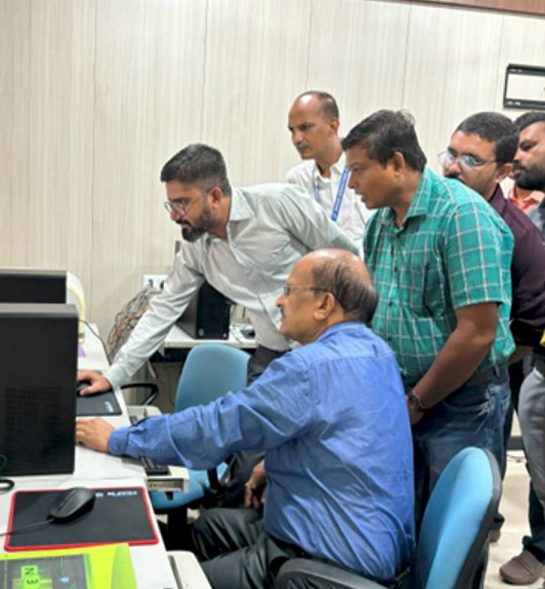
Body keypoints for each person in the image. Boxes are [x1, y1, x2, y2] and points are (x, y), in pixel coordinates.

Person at [77, 250, 415, 589]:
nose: (280, 301)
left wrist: (118, 439)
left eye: (289, 290)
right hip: (368, 541)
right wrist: (272, 465)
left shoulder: (310, 368)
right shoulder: (378, 353)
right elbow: (349, 439)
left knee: (170, 582)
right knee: (208, 530)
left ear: (324, 305)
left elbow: (216, 426)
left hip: (328, 563)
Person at [78, 143, 356, 394]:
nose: (174, 215)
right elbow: (164, 308)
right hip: (272, 355)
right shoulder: (196, 247)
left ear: (214, 196)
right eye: (171, 204)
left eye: (182, 203)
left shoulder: (278, 204)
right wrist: (114, 375)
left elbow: (348, 259)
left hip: (323, 350)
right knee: (252, 444)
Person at [342, 110, 515, 508]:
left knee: (452, 526)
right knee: (409, 512)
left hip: (461, 402)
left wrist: (418, 402)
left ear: (397, 164)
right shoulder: (381, 222)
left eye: (359, 170)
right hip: (405, 395)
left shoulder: (462, 215)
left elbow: (477, 333)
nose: (351, 184)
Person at [439, 111, 545, 556]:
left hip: (491, 372)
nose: (451, 166)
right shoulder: (440, 214)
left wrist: (495, 359)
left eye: (469, 159)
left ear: (499, 172)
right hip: (438, 374)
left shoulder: (518, 234)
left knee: (473, 487)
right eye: (450, 153)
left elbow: (532, 316)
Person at [500, 111, 545, 585]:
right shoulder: (532, 221)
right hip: (533, 356)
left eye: (529, 146)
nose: (517, 156)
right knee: (538, 459)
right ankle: (540, 545)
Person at [285, 91, 371, 249]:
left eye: (305, 128)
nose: (297, 139)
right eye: (292, 130)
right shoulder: (297, 179)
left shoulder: (365, 170)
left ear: (333, 126)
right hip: (319, 268)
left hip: (363, 268)